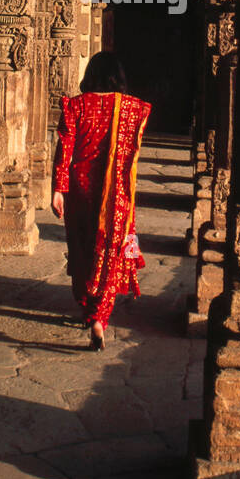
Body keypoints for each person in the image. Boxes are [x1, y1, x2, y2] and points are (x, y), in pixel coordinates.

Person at [51, 52, 151, 350]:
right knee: (110, 250)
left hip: (80, 190)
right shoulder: (133, 108)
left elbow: (65, 149)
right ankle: (99, 319)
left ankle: (87, 305)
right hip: (117, 194)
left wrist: (58, 188)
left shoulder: (76, 106)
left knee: (82, 247)